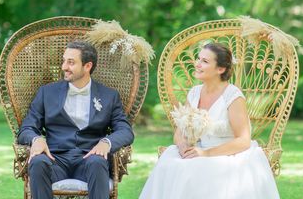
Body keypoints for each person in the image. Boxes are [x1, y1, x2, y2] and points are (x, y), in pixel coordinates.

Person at [139, 42, 280, 199]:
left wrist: (206, 153)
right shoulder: (194, 93)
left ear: (220, 69)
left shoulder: (233, 96)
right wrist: (183, 145)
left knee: (202, 170)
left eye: (204, 61)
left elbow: (244, 141)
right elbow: (180, 132)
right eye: (198, 59)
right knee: (171, 162)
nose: (197, 64)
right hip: (198, 150)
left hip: (228, 154)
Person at [17, 41, 134, 199]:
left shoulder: (109, 96)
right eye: (64, 60)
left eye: (71, 62)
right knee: (38, 162)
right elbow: (26, 129)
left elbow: (125, 131)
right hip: (55, 160)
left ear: (87, 66)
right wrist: (36, 139)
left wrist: (106, 143)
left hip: (89, 160)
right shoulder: (46, 93)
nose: (64, 66)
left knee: (98, 162)